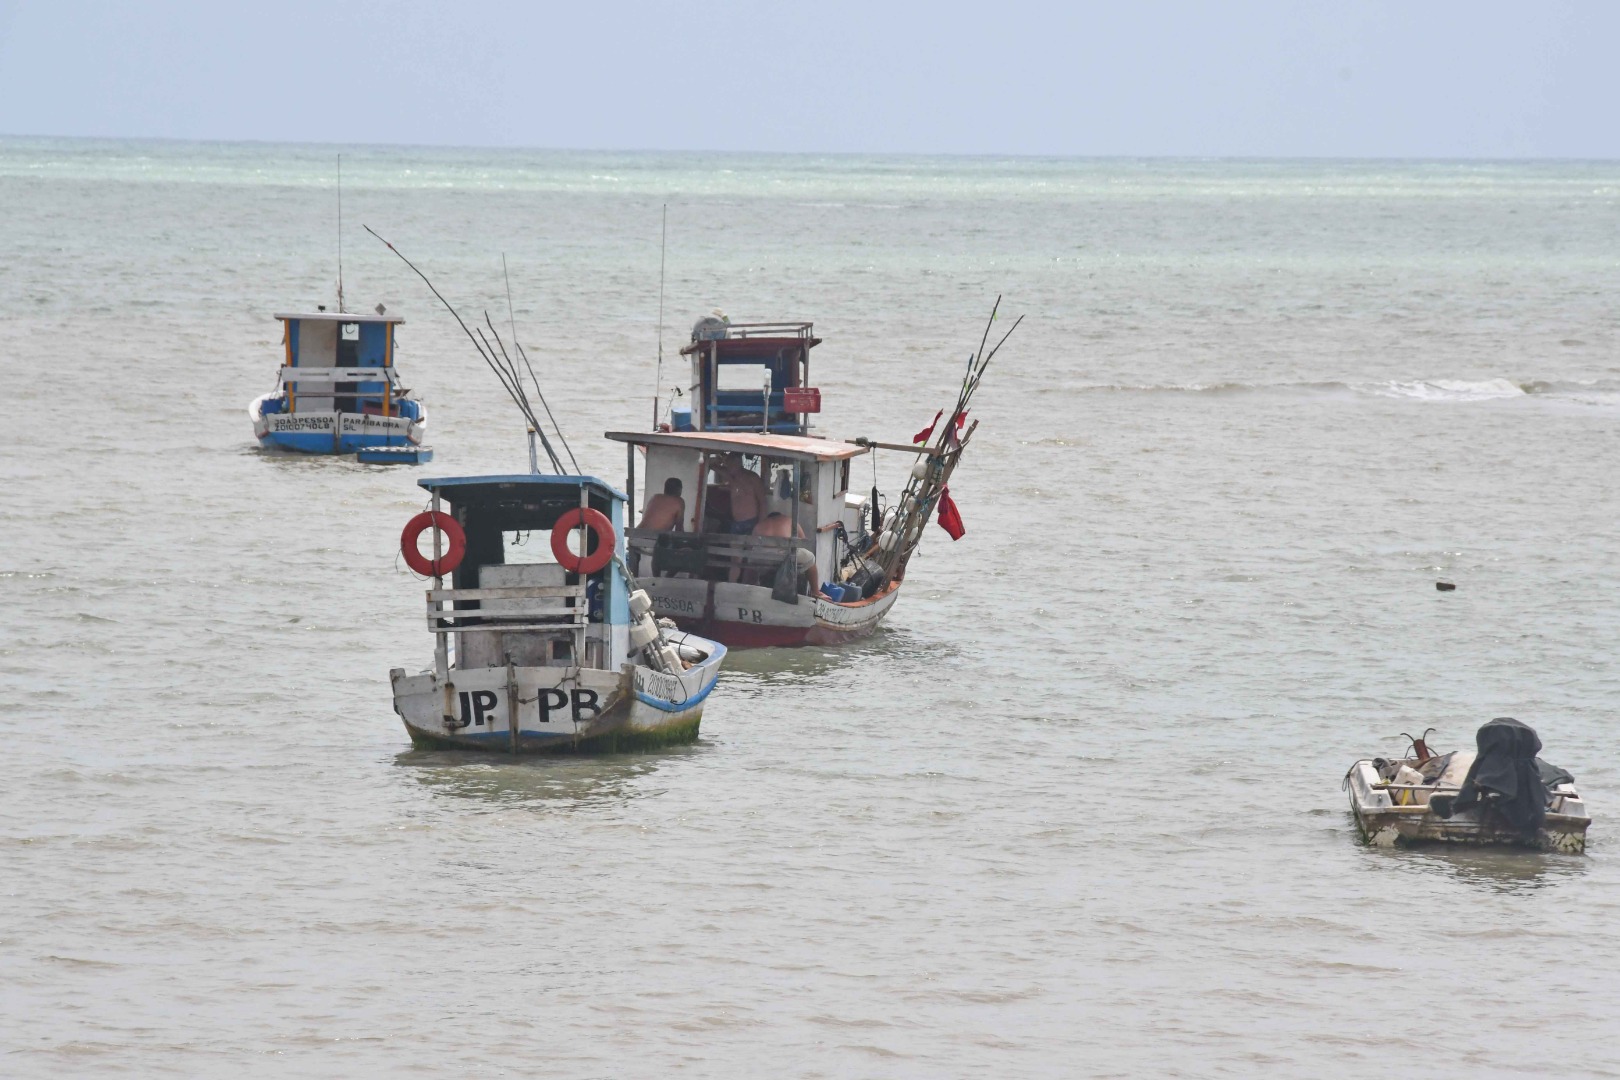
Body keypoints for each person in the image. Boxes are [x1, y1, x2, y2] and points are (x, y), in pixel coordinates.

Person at [753, 512, 819, 592]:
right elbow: (803, 543)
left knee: (752, 558)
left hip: (763, 559)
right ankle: (816, 591)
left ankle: (748, 587)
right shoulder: (791, 521)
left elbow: (753, 546)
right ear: (781, 516)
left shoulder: (759, 525)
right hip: (785, 557)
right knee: (811, 558)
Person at [717, 454, 766, 534]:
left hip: (751, 522)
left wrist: (761, 525)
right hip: (735, 523)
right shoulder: (730, 477)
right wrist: (715, 460)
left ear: (738, 463)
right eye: (727, 464)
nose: (728, 467)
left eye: (731, 464)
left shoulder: (753, 478)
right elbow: (713, 466)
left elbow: (762, 502)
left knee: (750, 545)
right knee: (733, 545)